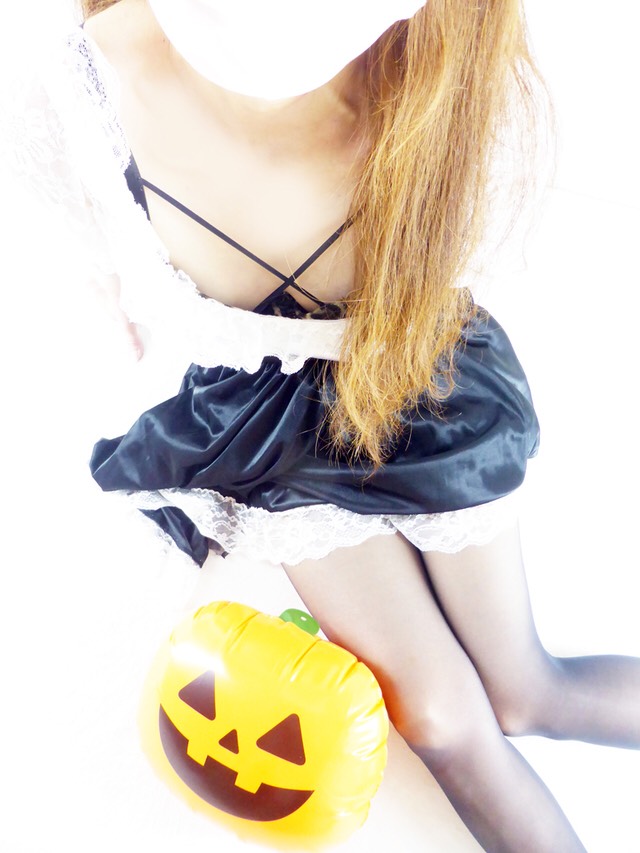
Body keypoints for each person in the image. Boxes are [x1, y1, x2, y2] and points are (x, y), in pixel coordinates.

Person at [8, 0, 639, 850]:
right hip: (267, 428)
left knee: (527, 693)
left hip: (425, 388)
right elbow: (92, 262)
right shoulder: (74, 91)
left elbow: (463, 255)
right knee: (444, 719)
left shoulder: (438, 64)